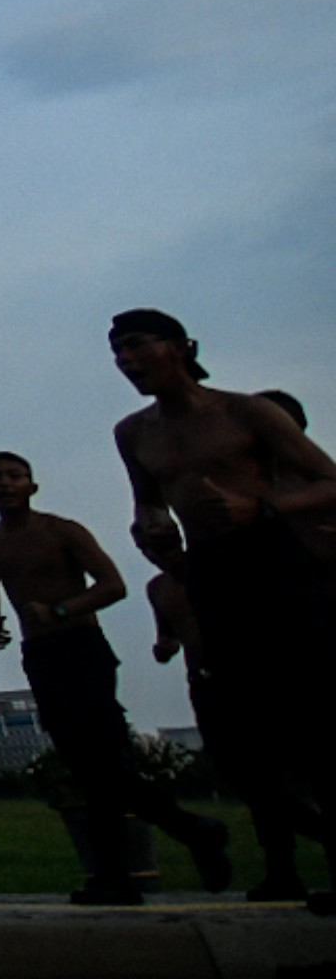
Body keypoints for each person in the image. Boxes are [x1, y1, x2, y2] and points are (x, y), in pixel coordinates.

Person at [108, 310, 336, 913]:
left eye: (136, 346)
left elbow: (330, 482)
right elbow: (148, 501)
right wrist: (152, 530)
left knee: (312, 720)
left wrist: (260, 510)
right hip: (211, 571)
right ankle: (283, 864)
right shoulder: (134, 432)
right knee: (239, 737)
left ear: (180, 347)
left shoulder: (246, 413)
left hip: (276, 563)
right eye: (117, 353)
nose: (126, 361)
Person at [0, 448, 231, 903]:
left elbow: (113, 584)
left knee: (101, 767)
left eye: (16, 476)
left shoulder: (62, 531)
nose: (7, 483)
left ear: (32, 486)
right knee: (88, 768)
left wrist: (59, 610)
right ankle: (190, 832)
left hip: (82, 649)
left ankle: (122, 872)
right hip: (40, 656)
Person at [148, 560, 319, 902]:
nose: (156, 549)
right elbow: (167, 635)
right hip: (205, 684)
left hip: (246, 679)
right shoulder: (159, 588)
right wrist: (165, 647)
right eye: (148, 544)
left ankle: (284, 868)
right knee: (247, 779)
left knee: (265, 778)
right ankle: (283, 869)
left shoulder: (216, 573)